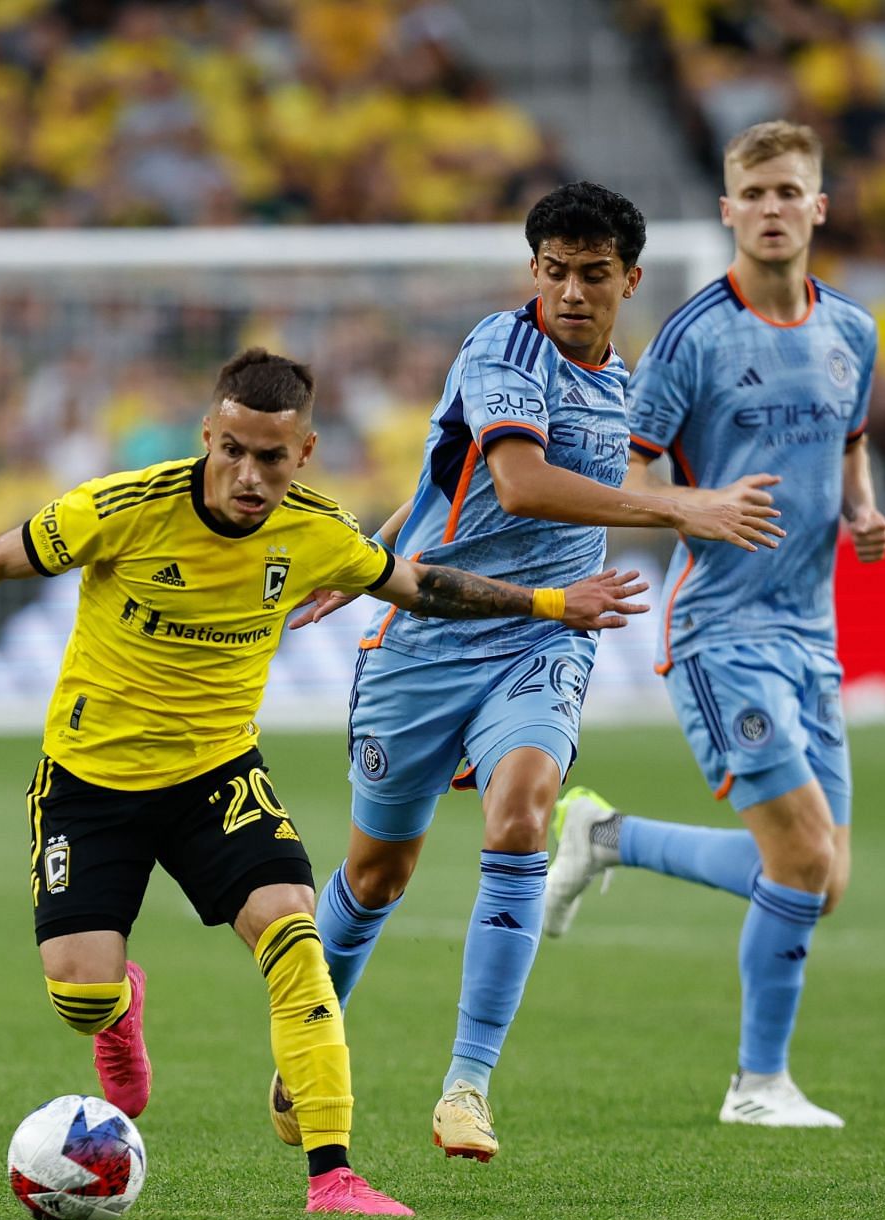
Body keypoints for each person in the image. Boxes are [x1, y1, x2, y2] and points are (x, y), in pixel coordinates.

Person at [0, 348, 647, 1215]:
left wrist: (552, 605)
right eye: (235, 451)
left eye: (273, 458)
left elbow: (421, 585)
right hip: (89, 781)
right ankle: (118, 1007)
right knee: (79, 992)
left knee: (293, 934)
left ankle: (333, 1175)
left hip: (217, 774)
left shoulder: (318, 531)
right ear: (207, 435)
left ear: (306, 454)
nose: (250, 476)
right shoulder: (120, 508)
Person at [288, 182, 781, 1163]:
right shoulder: (502, 348)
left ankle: (466, 1085)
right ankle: (310, 1039)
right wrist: (380, 572)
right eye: (553, 270)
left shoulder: (622, 380)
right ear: (533, 273)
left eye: (593, 274)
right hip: (432, 631)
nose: (570, 291)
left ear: (629, 279)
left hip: (546, 635)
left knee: (522, 811)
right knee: (379, 872)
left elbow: (440, 471)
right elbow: (511, 480)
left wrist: (374, 550)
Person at [543, 120, 885, 1128]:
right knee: (802, 859)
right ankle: (757, 1084)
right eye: (755, 193)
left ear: (817, 206)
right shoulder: (694, 336)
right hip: (720, 630)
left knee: (820, 879)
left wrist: (861, 507)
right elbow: (627, 470)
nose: (773, 210)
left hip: (812, 632)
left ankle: (604, 834)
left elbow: (850, 439)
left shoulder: (853, 333)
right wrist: (692, 507)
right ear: (728, 210)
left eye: (791, 192)